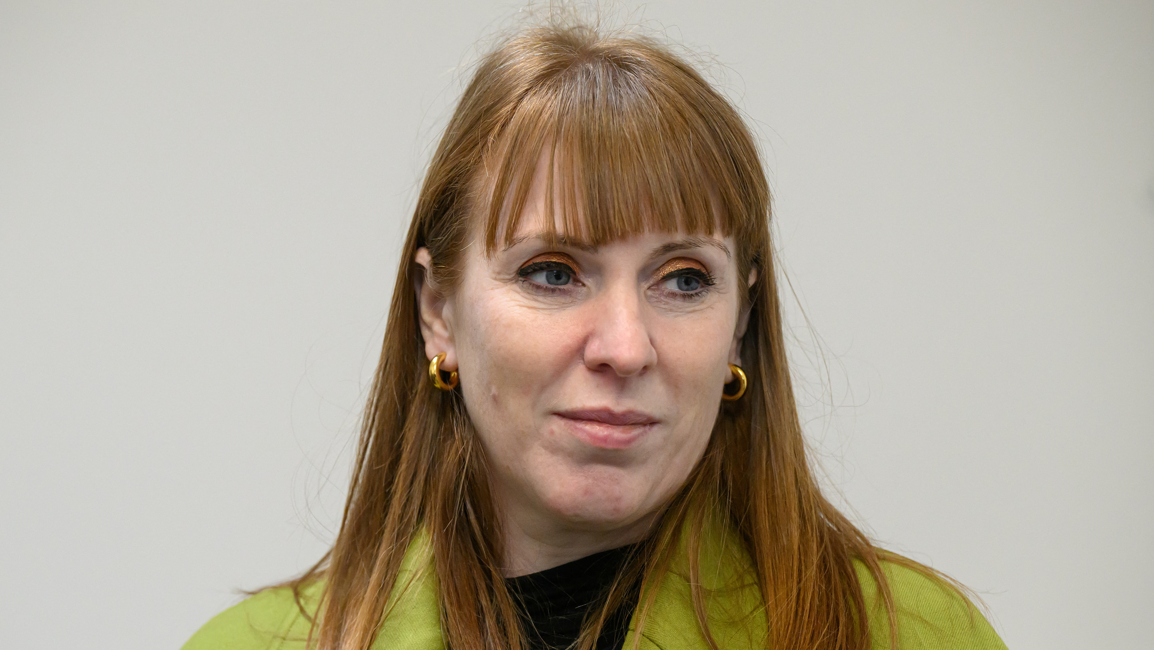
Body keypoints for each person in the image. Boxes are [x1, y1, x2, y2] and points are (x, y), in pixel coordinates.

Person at [183, 17, 1007, 650]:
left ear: (740, 325)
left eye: (683, 280)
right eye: (553, 273)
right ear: (438, 312)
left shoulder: (913, 636)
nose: (625, 346)